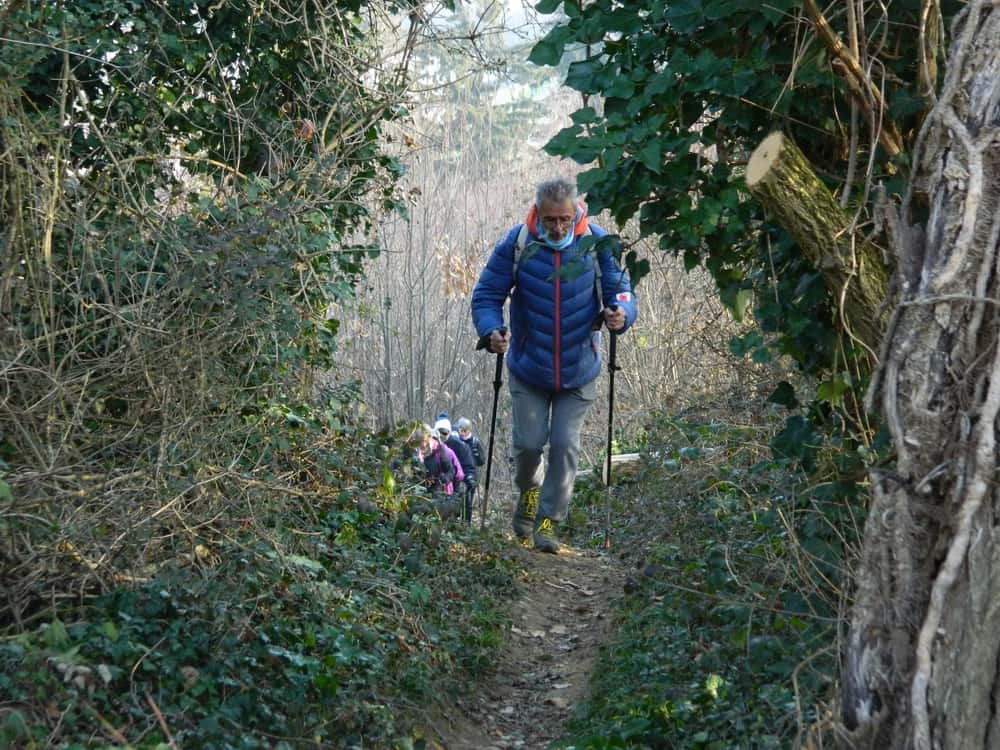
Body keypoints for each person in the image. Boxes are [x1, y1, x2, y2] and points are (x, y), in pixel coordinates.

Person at [470, 177, 637, 553]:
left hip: (579, 369)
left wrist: (621, 314)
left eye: (564, 219)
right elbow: (486, 295)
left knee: (564, 445)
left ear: (576, 212)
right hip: (529, 367)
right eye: (550, 220)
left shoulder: (596, 243)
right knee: (528, 447)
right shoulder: (518, 243)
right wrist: (491, 330)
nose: (558, 227)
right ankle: (529, 497)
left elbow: (622, 292)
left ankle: (548, 523)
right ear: (538, 213)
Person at [434, 417, 477, 522]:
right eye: (439, 432)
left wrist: (469, 478)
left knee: (460, 504)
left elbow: (464, 469)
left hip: (452, 484)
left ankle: (464, 524)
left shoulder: (460, 446)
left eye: (444, 433)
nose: (441, 435)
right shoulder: (429, 443)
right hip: (435, 483)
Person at [455, 417, 486, 522]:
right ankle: (455, 524)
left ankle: (466, 524)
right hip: (457, 473)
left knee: (468, 501)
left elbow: (482, 461)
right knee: (456, 500)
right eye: (461, 430)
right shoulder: (456, 440)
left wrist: (476, 456)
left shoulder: (475, 441)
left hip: (471, 475)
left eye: (465, 430)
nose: (463, 433)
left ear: (469, 430)